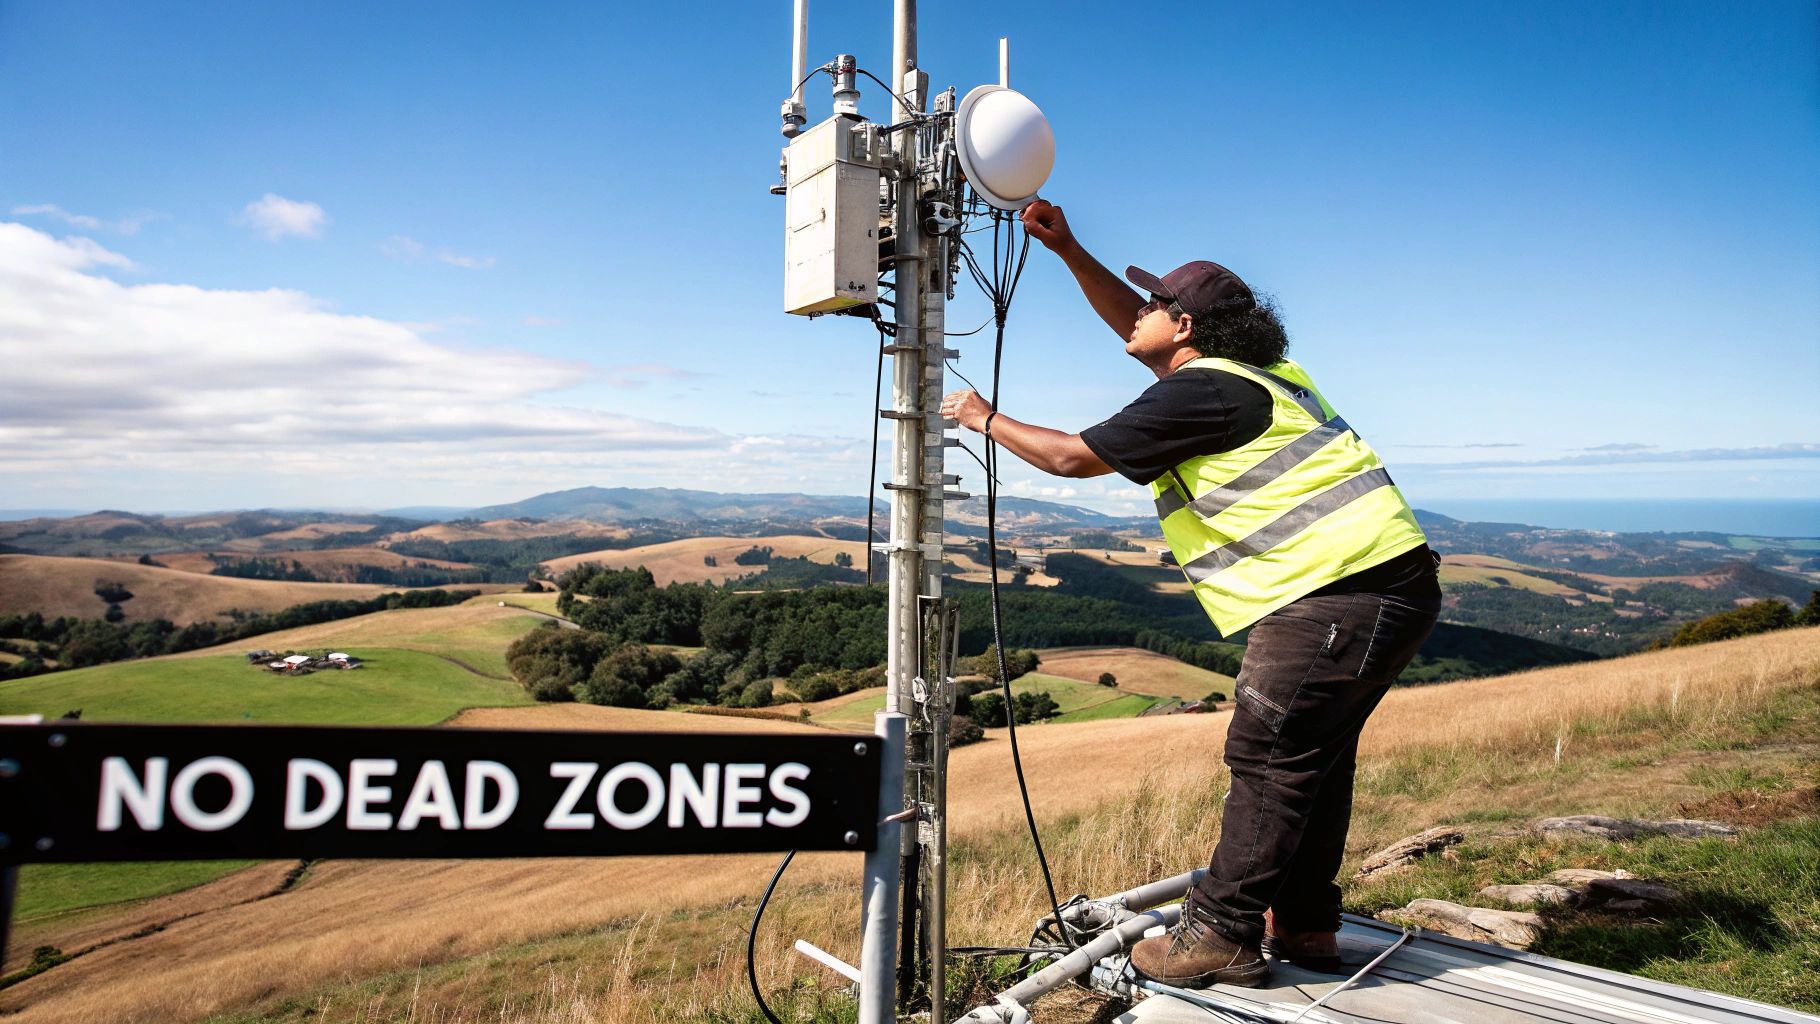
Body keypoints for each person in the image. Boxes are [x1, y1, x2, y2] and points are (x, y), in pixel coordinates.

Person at [938, 198, 1441, 989]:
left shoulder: (1204, 393)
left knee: (1268, 754)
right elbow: (1136, 336)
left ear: (1185, 328)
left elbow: (1072, 459)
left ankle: (1221, 934)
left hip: (1336, 597)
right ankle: (1306, 923)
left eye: (1157, 305)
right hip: (1381, 589)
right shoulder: (1252, 375)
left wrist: (983, 417)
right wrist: (1069, 249)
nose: (1139, 313)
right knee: (1313, 760)